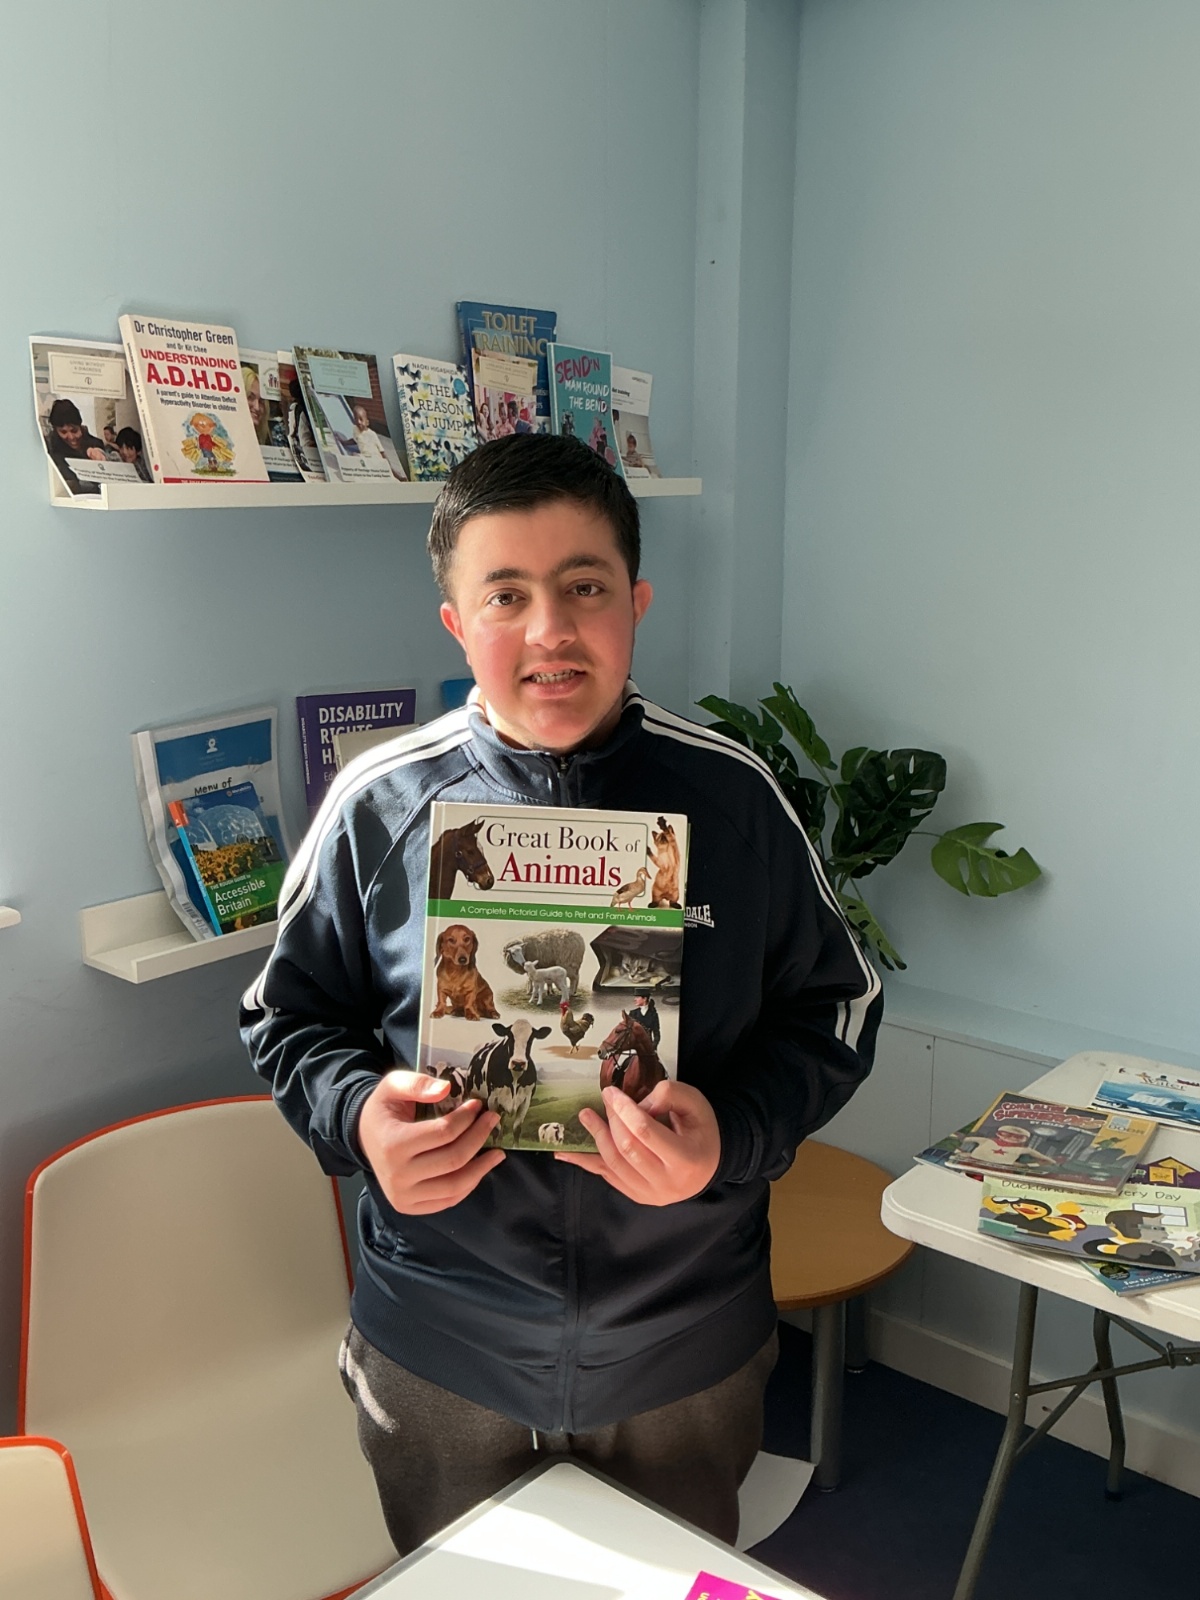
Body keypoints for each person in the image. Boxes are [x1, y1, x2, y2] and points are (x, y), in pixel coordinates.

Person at [240, 433, 882, 1558]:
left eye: (585, 587)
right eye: (506, 595)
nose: (549, 630)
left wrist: (731, 1135)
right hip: (439, 1338)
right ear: (456, 621)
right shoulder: (377, 805)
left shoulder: (735, 799)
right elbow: (287, 1016)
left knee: (670, 1575)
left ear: (636, 601)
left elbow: (839, 1008)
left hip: (684, 1338)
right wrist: (359, 1118)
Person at [44, 397, 113, 494]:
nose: (71, 437)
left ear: (80, 426)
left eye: (74, 430)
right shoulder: (51, 449)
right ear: (55, 430)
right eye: (63, 432)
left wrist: (98, 452)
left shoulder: (94, 443)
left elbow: (97, 444)